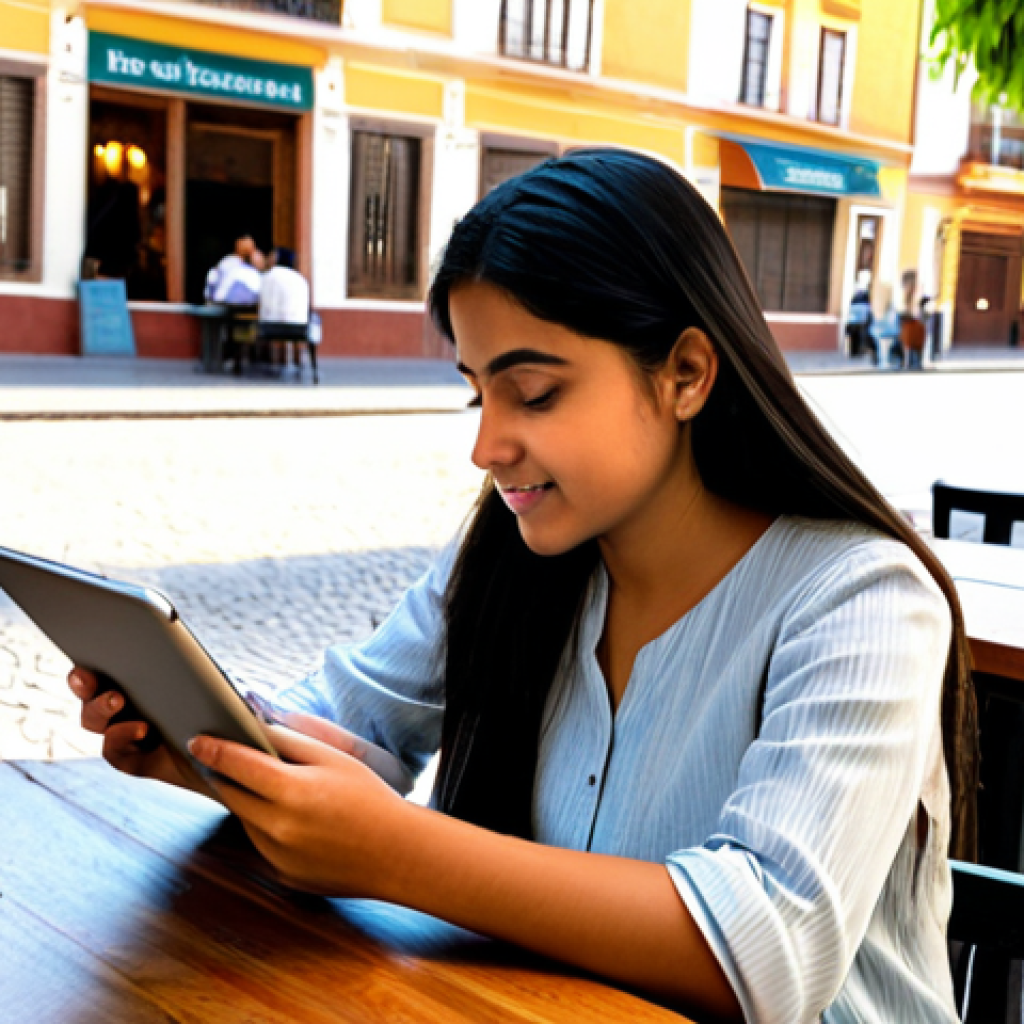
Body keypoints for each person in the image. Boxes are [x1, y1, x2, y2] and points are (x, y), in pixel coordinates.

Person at [68, 150, 978, 1023]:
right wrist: (212, 747)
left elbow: (769, 947)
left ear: (687, 374)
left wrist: (396, 851)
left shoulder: (862, 599)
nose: (486, 446)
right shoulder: (515, 554)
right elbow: (358, 722)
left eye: (533, 393)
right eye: (476, 394)